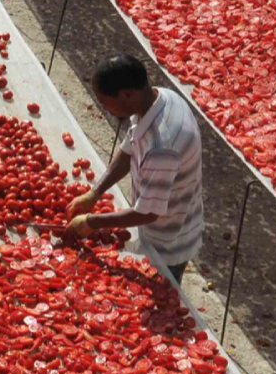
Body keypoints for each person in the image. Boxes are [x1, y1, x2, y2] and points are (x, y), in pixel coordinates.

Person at [68, 55, 204, 284]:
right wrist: (95, 192)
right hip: (162, 217)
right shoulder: (158, 98)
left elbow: (147, 213)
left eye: (105, 102)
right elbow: (129, 149)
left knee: (161, 290)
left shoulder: (162, 147)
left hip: (170, 238)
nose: (104, 108)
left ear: (127, 94)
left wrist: (91, 222)